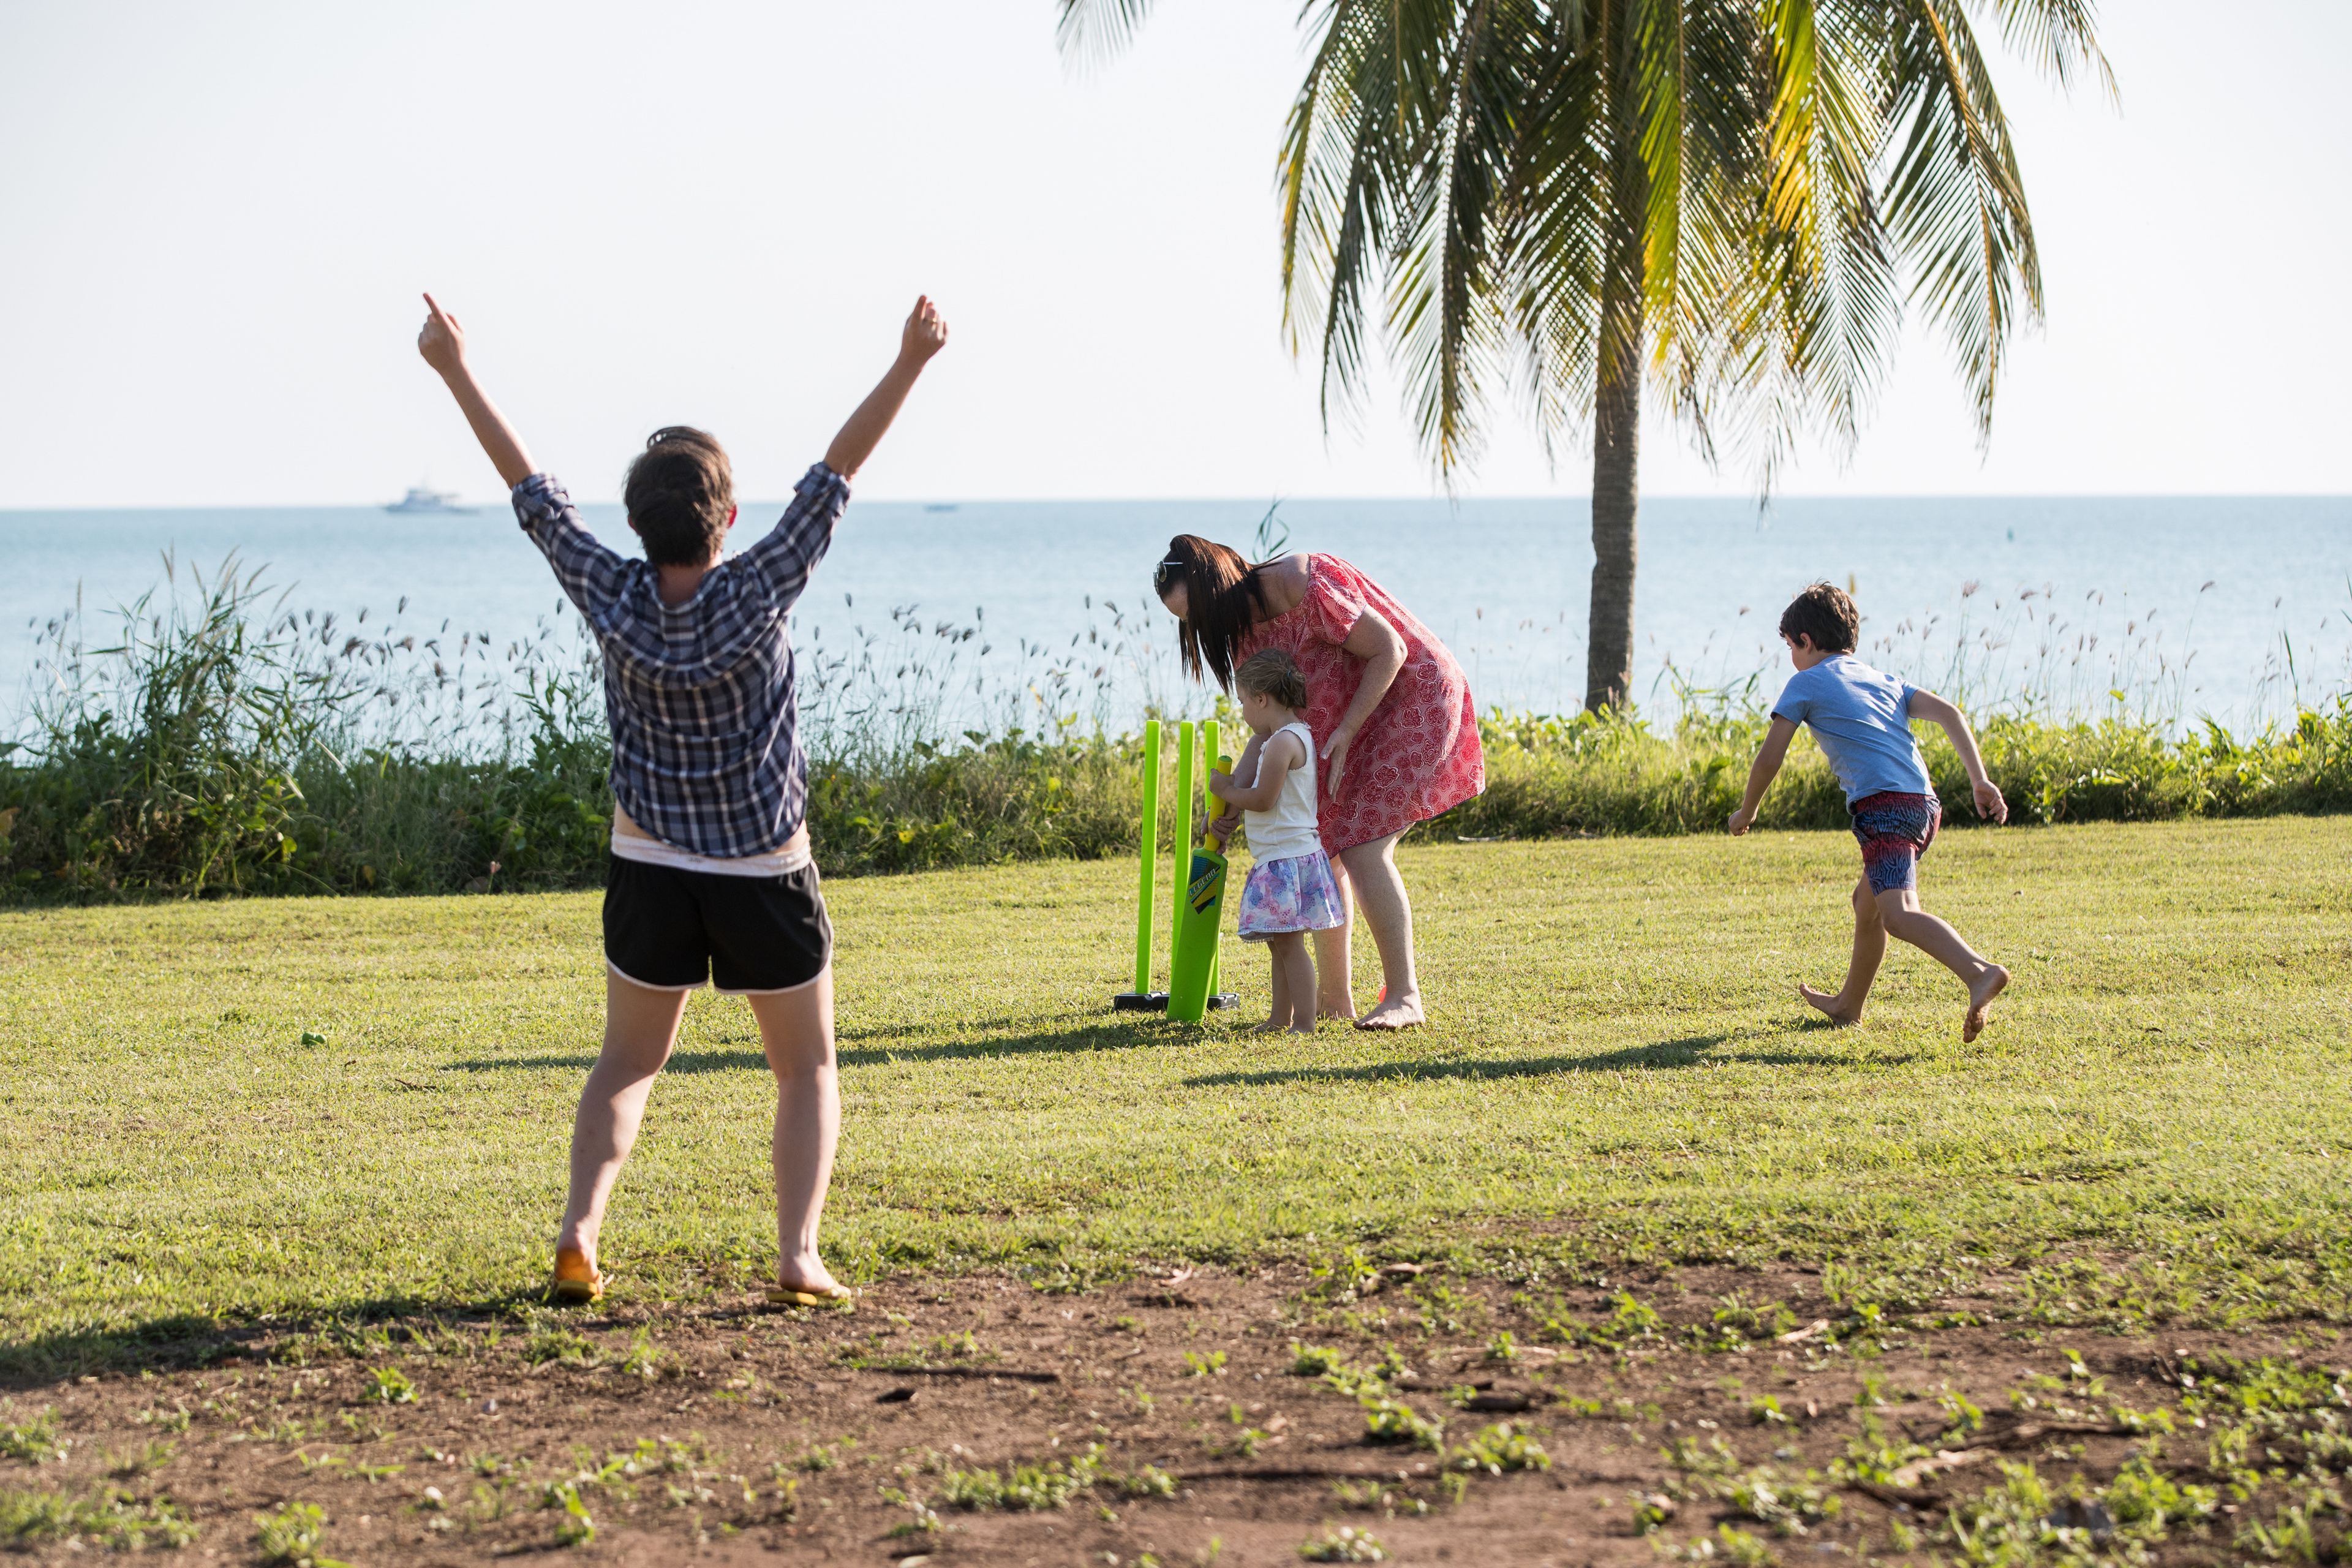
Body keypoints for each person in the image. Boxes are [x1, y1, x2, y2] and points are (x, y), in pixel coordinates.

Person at [415, 290, 949, 1306]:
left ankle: (580, 1232)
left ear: (633, 522)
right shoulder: (758, 588)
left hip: (649, 863)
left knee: (626, 1063)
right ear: (728, 519)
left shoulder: (609, 592)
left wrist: (453, 368)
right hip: (764, 868)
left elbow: (530, 491)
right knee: (806, 1070)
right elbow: (836, 476)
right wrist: (910, 361)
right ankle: (797, 1256)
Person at [1157, 538, 1482, 1030]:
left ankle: (1405, 996)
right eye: (1187, 623)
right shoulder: (1243, 633)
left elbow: (1389, 649)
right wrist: (1228, 810)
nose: (1198, 630)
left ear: (1214, 585)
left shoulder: (1298, 581)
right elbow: (1264, 735)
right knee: (1323, 845)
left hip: (1411, 696)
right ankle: (1334, 1000)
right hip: (1346, 727)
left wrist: (1348, 730)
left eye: (1197, 614)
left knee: (1363, 848)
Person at [1728, 581, 2011, 1041]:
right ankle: (1848, 1005)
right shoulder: (1884, 679)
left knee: (1897, 913)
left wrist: (1747, 810)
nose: (1792, 658)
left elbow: (1770, 757)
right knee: (1868, 905)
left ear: (1805, 641)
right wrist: (1979, 780)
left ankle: (1979, 972)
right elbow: (1951, 714)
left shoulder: (1805, 682)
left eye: (1790, 647)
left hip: (1885, 809)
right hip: (1923, 805)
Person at [1208, 649, 1349, 1034]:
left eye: (1242, 703)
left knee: (1290, 946)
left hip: (1288, 861)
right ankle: (1279, 1017)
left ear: (1261, 699)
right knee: (1280, 943)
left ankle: (1303, 1023)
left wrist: (1223, 789)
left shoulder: (1283, 743)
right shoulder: (1287, 736)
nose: (1242, 713)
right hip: (1283, 858)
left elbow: (1262, 799)